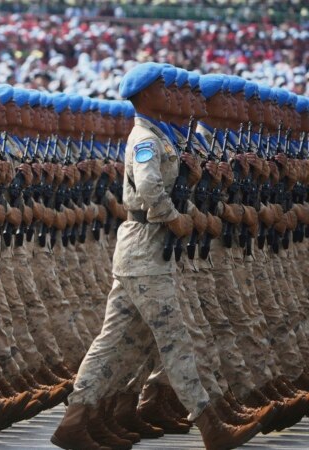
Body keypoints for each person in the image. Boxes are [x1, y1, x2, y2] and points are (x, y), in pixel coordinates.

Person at [51, 62, 261, 450]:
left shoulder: (160, 136)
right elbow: (148, 187)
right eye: (165, 90)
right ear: (146, 95)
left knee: (122, 344)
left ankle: (79, 419)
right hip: (146, 247)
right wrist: (172, 216)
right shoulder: (145, 137)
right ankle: (210, 424)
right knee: (176, 339)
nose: (174, 96)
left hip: (147, 251)